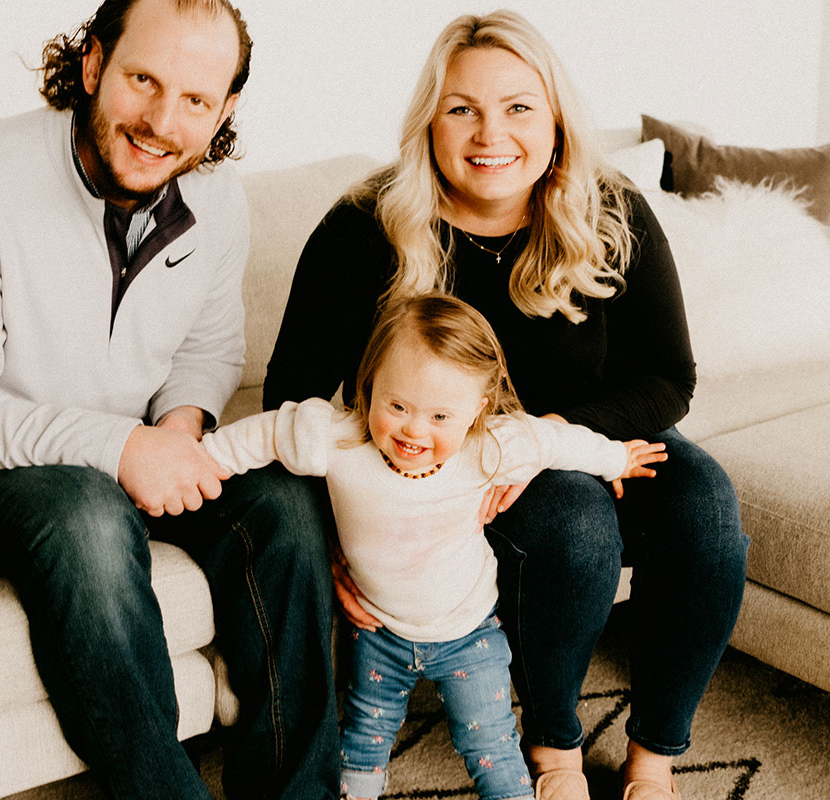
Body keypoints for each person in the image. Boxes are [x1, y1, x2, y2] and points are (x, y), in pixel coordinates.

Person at [264, 9, 750, 800]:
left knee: (707, 510)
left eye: (519, 107)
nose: (492, 134)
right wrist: (347, 539)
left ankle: (656, 754)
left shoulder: (611, 208)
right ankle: (553, 743)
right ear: (431, 122)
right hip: (459, 463)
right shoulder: (365, 227)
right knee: (572, 521)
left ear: (555, 119)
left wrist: (558, 433)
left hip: (590, 430)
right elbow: (293, 396)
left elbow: (670, 378)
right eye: (463, 109)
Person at [0, 1, 339, 797]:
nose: (161, 122)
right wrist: (123, 449)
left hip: (134, 450)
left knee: (285, 504)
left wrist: (179, 430)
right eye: (143, 78)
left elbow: (209, 350)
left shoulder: (216, 193)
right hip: (4, 472)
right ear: (92, 65)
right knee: (87, 514)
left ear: (225, 111)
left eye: (196, 100)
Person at [205, 293, 667, 800]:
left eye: (440, 417)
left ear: (478, 411)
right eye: (397, 405)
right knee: (361, 747)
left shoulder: (493, 444)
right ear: (369, 384)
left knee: (491, 745)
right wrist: (198, 460)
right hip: (378, 634)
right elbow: (264, 435)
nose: (413, 429)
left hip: (468, 634)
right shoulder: (334, 438)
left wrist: (616, 459)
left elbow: (556, 442)